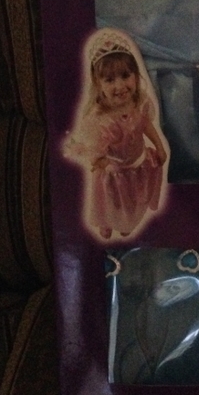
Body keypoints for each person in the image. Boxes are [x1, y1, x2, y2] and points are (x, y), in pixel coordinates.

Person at [64, 29, 168, 240]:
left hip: (138, 165)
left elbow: (145, 125)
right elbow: (94, 150)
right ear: (98, 84)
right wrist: (100, 161)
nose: (120, 86)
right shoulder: (100, 120)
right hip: (115, 173)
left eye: (125, 76)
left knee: (132, 200)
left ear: (135, 75)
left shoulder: (139, 103)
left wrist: (159, 145)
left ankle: (126, 222)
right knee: (112, 202)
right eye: (110, 80)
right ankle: (107, 222)